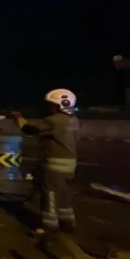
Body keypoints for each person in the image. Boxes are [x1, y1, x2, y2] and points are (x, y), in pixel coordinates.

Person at [11, 89, 80, 234]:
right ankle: (67, 224)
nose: (50, 108)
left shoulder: (53, 121)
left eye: (52, 105)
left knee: (51, 195)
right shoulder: (74, 120)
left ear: (61, 104)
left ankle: (49, 227)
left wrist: (18, 117)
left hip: (55, 167)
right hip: (70, 166)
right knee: (65, 194)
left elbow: (29, 128)